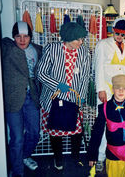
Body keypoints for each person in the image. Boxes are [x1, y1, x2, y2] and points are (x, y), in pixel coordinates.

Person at [37, 22, 90, 170]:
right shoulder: (52, 49)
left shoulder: (84, 51)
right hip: (54, 99)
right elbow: (41, 73)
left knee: (76, 131)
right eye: (77, 39)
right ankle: (58, 159)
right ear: (67, 38)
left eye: (82, 39)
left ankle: (75, 157)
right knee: (55, 130)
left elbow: (85, 76)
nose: (81, 42)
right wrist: (57, 84)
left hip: (74, 98)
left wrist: (82, 95)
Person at [94, 17, 125, 171]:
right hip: (107, 90)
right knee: (104, 126)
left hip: (123, 93)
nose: (120, 37)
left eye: (123, 34)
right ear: (113, 30)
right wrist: (100, 89)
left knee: (120, 125)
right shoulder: (102, 45)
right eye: (117, 33)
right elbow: (98, 68)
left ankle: (119, 155)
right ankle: (100, 157)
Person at [1, 21, 42, 177]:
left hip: (32, 97)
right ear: (14, 37)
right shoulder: (8, 49)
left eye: (26, 36)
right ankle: (17, 171)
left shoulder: (38, 50)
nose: (22, 40)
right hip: (13, 98)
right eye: (18, 36)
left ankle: (25, 156)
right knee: (17, 137)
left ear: (30, 37)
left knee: (34, 133)